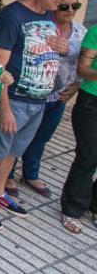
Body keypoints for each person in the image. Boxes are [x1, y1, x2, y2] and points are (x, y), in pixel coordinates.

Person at [0, 0, 71, 231]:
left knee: (14, 150)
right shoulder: (12, 16)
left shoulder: (50, 16)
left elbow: (50, 49)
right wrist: (4, 107)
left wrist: (63, 49)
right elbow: (0, 66)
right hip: (15, 98)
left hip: (39, 99)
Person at [9, 0, 85, 199]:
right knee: (18, 137)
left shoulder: (80, 32)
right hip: (31, 93)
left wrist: (76, 87)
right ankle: (8, 175)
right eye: (64, 6)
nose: (70, 11)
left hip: (58, 97)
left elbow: (85, 62)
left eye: (75, 6)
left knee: (42, 137)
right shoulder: (42, 27)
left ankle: (31, 174)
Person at [61, 18, 97, 234]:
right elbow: (83, 69)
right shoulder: (95, 32)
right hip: (91, 102)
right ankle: (72, 209)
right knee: (89, 155)